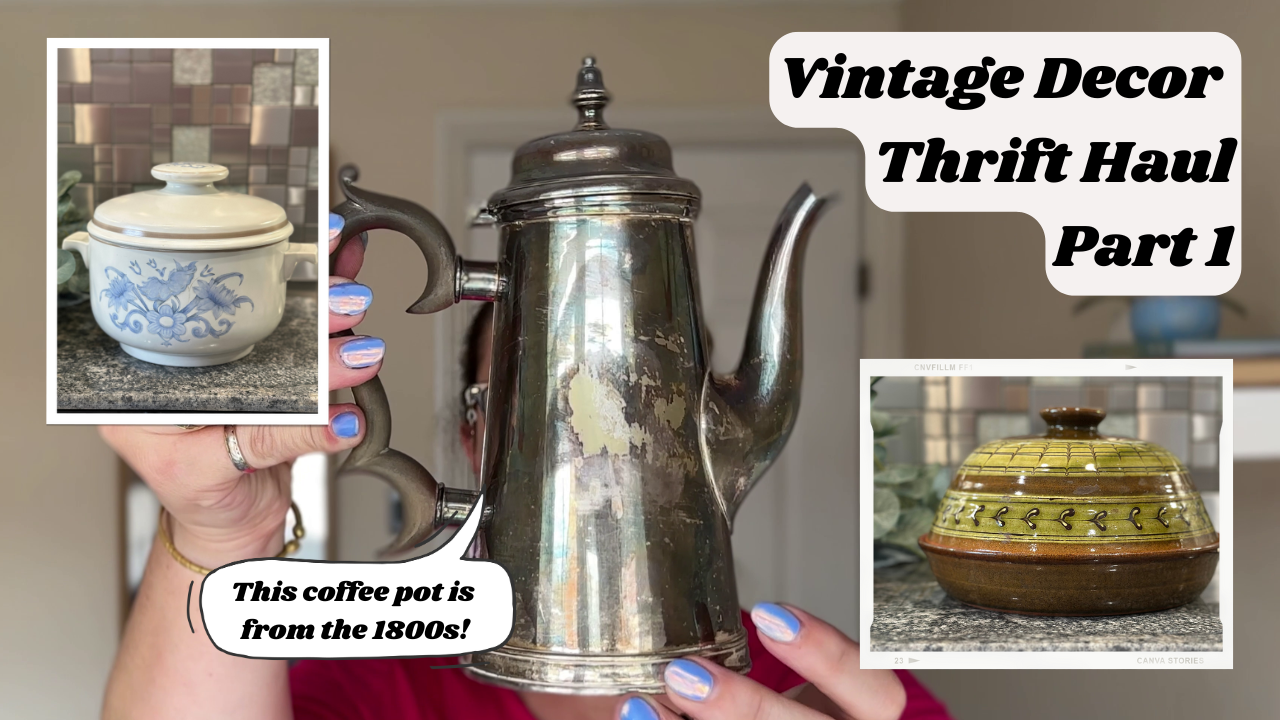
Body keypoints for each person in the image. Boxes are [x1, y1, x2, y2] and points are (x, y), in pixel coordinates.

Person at [99, 214, 953, 720]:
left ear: (703, 439)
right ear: (477, 439)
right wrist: (222, 530)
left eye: (637, 400)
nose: (596, 449)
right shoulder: (364, 669)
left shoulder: (834, 696)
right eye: (546, 411)